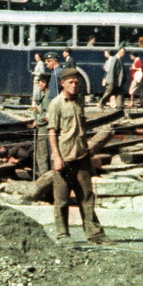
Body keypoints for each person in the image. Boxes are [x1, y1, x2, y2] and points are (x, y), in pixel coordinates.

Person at [47, 67, 107, 242]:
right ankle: (63, 233)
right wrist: (57, 157)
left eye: (76, 83)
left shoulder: (79, 101)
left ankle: (94, 233)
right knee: (62, 198)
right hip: (64, 157)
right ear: (63, 83)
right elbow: (52, 133)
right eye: (71, 83)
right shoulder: (56, 104)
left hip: (81, 156)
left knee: (87, 196)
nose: (74, 86)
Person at [28, 51, 62, 179]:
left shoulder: (54, 76)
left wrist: (39, 121)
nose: (46, 65)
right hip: (48, 125)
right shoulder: (45, 95)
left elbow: (50, 111)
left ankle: (45, 179)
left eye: (47, 62)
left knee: (43, 155)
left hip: (45, 128)